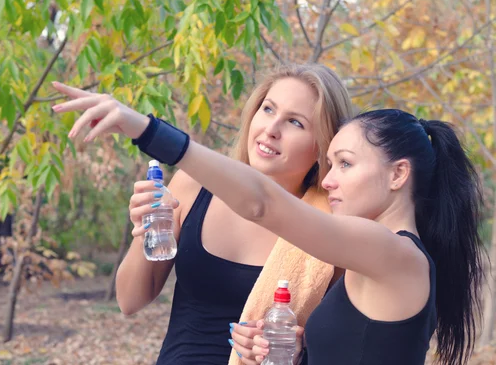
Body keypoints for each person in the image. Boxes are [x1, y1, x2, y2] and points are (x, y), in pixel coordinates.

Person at [51, 90, 483, 365]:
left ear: (397, 175)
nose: (329, 179)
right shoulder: (378, 256)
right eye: (330, 165)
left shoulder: (390, 251)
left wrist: (146, 129)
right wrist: (293, 352)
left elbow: (260, 203)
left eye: (345, 165)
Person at [52, 63, 354, 365]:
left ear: (323, 145)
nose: (271, 130)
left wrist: (299, 350)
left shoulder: (329, 226)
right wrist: (147, 233)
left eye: (295, 123)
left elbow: (346, 345)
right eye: (268, 109)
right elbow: (129, 301)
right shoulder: (194, 185)